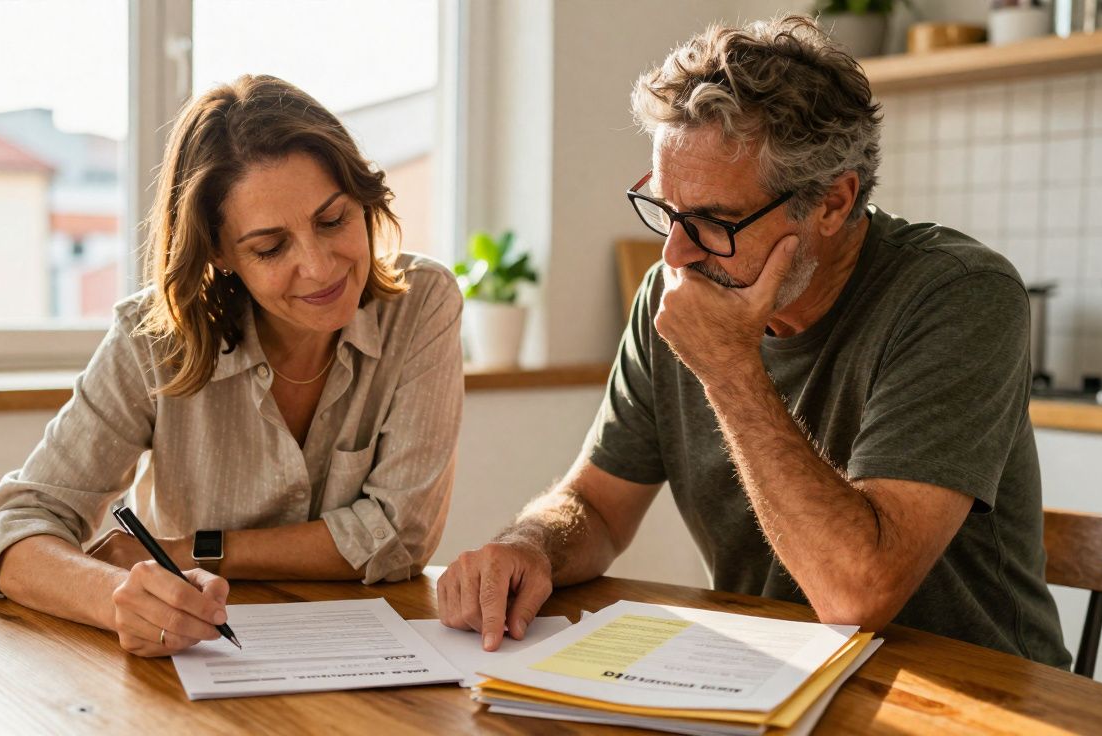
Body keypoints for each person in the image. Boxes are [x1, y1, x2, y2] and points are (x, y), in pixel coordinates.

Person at [438, 15, 1070, 668]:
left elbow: (856, 593)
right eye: (666, 210)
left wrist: (728, 369)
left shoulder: (961, 295)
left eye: (713, 221)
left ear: (831, 203)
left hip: (975, 698)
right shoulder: (672, 290)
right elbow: (595, 506)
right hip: (770, 682)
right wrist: (529, 545)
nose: (675, 255)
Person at [0, 75, 463, 657]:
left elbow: (399, 537)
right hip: (193, 666)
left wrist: (191, 550)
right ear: (221, 253)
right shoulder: (153, 339)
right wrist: (119, 599)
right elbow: (11, 531)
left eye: (333, 220)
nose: (319, 266)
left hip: (370, 662)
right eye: (271, 247)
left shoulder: (421, 302)